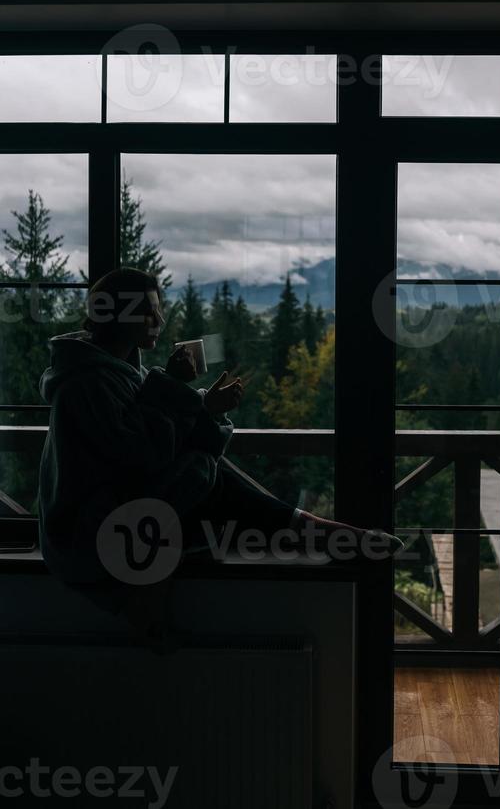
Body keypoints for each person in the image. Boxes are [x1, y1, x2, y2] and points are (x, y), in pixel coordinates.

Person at [37, 267, 404, 633]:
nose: (160, 320)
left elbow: (151, 438)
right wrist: (180, 391)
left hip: (120, 514)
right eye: (149, 311)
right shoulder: (86, 385)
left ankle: (310, 529)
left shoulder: (116, 372)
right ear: (119, 315)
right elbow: (142, 457)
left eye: (159, 308)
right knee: (205, 472)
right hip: (90, 534)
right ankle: (314, 530)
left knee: (210, 472)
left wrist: (200, 407)